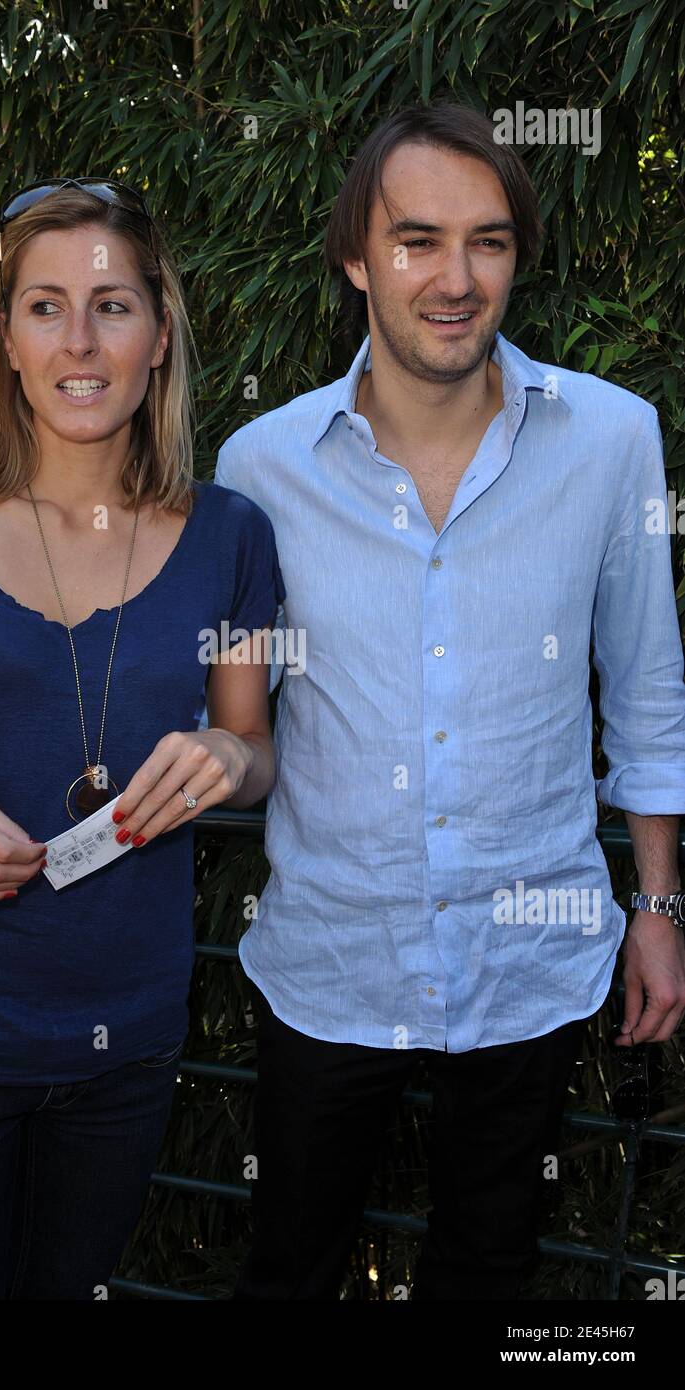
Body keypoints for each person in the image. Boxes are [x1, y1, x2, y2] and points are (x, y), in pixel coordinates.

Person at [213, 102, 685, 1300]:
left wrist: (659, 903)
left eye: (489, 242)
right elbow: (234, 722)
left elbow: (644, 685)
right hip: (328, 958)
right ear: (356, 260)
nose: (455, 278)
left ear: (518, 258)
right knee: (290, 1271)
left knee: (492, 1268)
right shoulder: (259, 469)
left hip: (529, 957)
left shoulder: (612, 441)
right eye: (416, 240)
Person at [0, 178, 285, 1299]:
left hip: (122, 1051)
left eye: (113, 304)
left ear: (160, 334)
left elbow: (255, 750)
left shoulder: (231, 535)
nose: (80, 340)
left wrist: (228, 762)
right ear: (6, 341)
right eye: (44, 306)